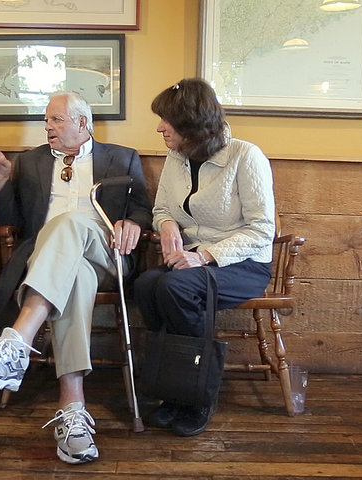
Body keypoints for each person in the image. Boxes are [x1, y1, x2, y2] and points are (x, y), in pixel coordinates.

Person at [0, 91, 152, 464]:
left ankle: (16, 343)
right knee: (74, 276)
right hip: (50, 263)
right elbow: (11, 218)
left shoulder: (121, 157)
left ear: (82, 122)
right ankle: (72, 412)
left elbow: (143, 207)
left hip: (106, 255)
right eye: (46, 120)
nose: (47, 126)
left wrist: (133, 222)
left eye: (56, 119)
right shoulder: (30, 162)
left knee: (71, 222)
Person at [134, 78, 276, 437]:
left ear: (191, 123)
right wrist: (166, 226)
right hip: (193, 259)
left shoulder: (246, 155)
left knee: (175, 289)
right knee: (147, 284)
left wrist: (208, 255)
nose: (159, 127)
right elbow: (163, 207)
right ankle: (176, 390)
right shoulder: (177, 157)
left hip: (243, 263)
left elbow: (262, 230)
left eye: (166, 120)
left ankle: (198, 396)